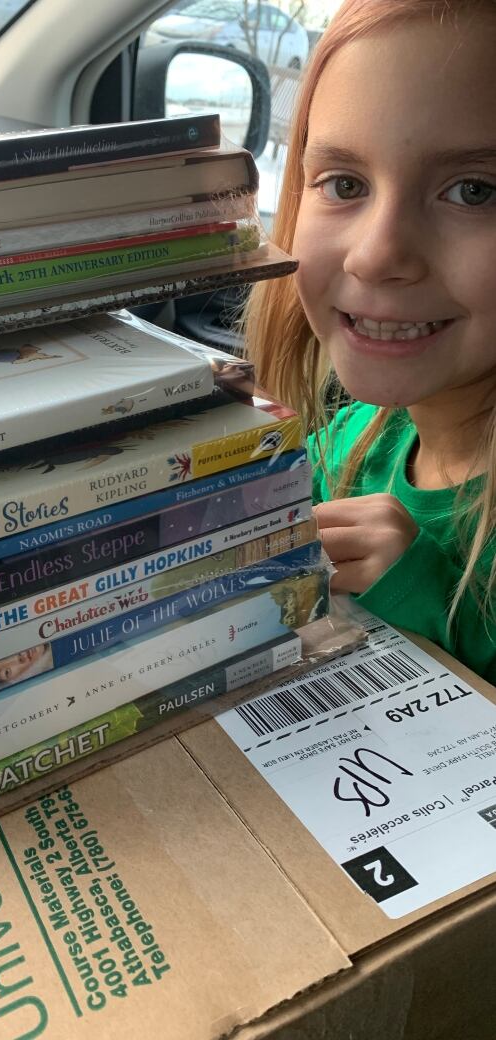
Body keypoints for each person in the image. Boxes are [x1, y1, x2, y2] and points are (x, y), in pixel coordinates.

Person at [244, 0, 496, 680]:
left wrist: (421, 601)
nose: (377, 254)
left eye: (474, 191)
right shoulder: (350, 444)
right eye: (344, 183)